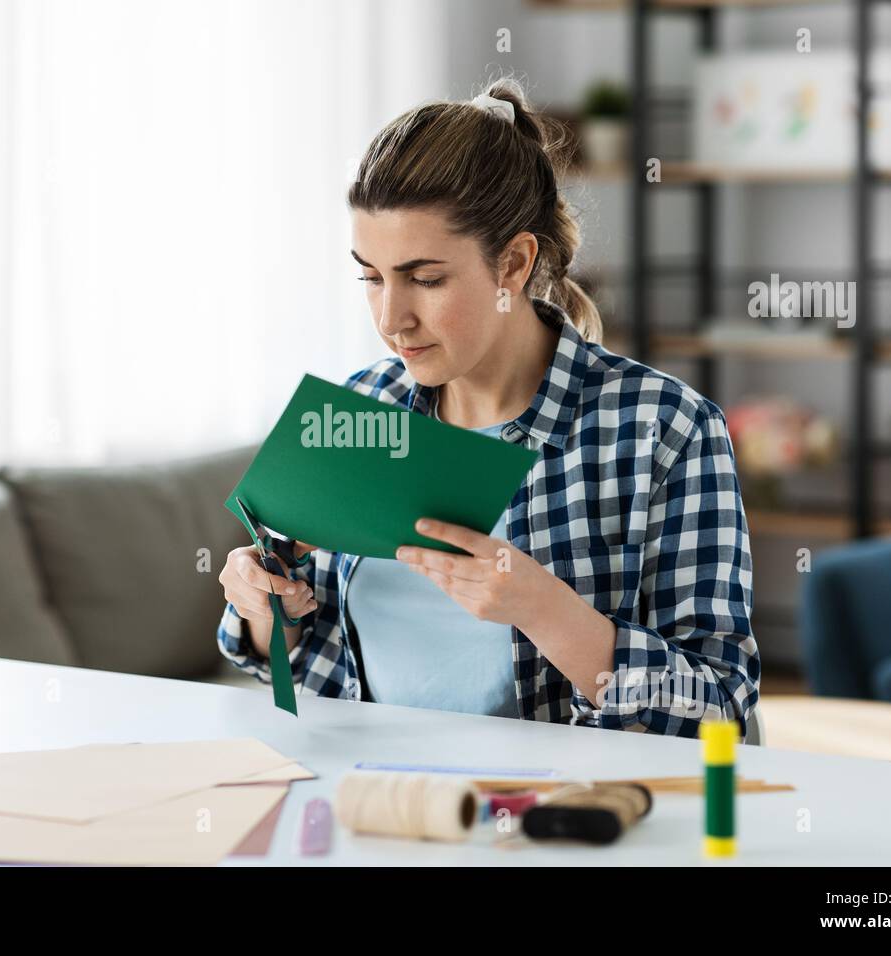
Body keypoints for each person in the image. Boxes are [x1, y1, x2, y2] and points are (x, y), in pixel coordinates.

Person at [217, 78, 759, 738]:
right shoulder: (361, 411)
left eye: (426, 278)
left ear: (514, 263)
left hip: (553, 818)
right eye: (371, 276)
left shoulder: (664, 430)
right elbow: (292, 662)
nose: (392, 318)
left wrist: (548, 612)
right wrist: (262, 608)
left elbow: (721, 707)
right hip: (368, 803)